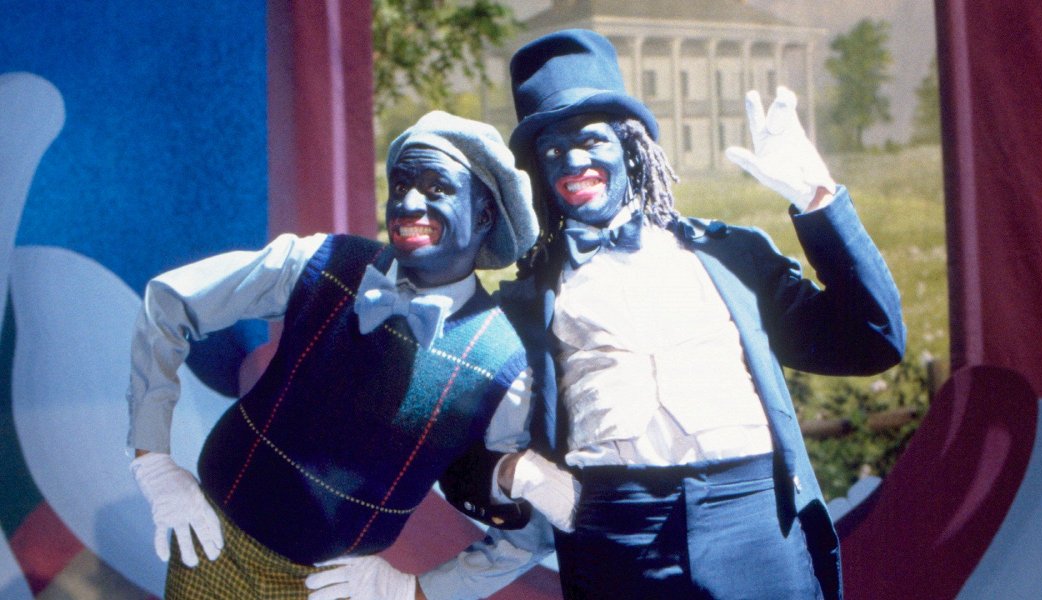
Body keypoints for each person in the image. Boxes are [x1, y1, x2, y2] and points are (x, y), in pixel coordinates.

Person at [407, 28, 906, 599]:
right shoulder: (521, 306)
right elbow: (455, 454)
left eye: (590, 140)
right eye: (552, 151)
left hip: (755, 530)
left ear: (631, 146)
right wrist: (513, 472)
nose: (573, 160)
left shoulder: (730, 257)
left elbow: (871, 340)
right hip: (616, 541)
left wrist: (817, 199)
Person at [126, 110, 553, 599]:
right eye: (401, 184)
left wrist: (419, 591)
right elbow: (169, 300)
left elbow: (530, 534)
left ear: (484, 216)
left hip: (329, 590)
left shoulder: (505, 368)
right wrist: (152, 463)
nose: (409, 203)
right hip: (210, 549)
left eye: (438, 188)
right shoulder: (320, 261)